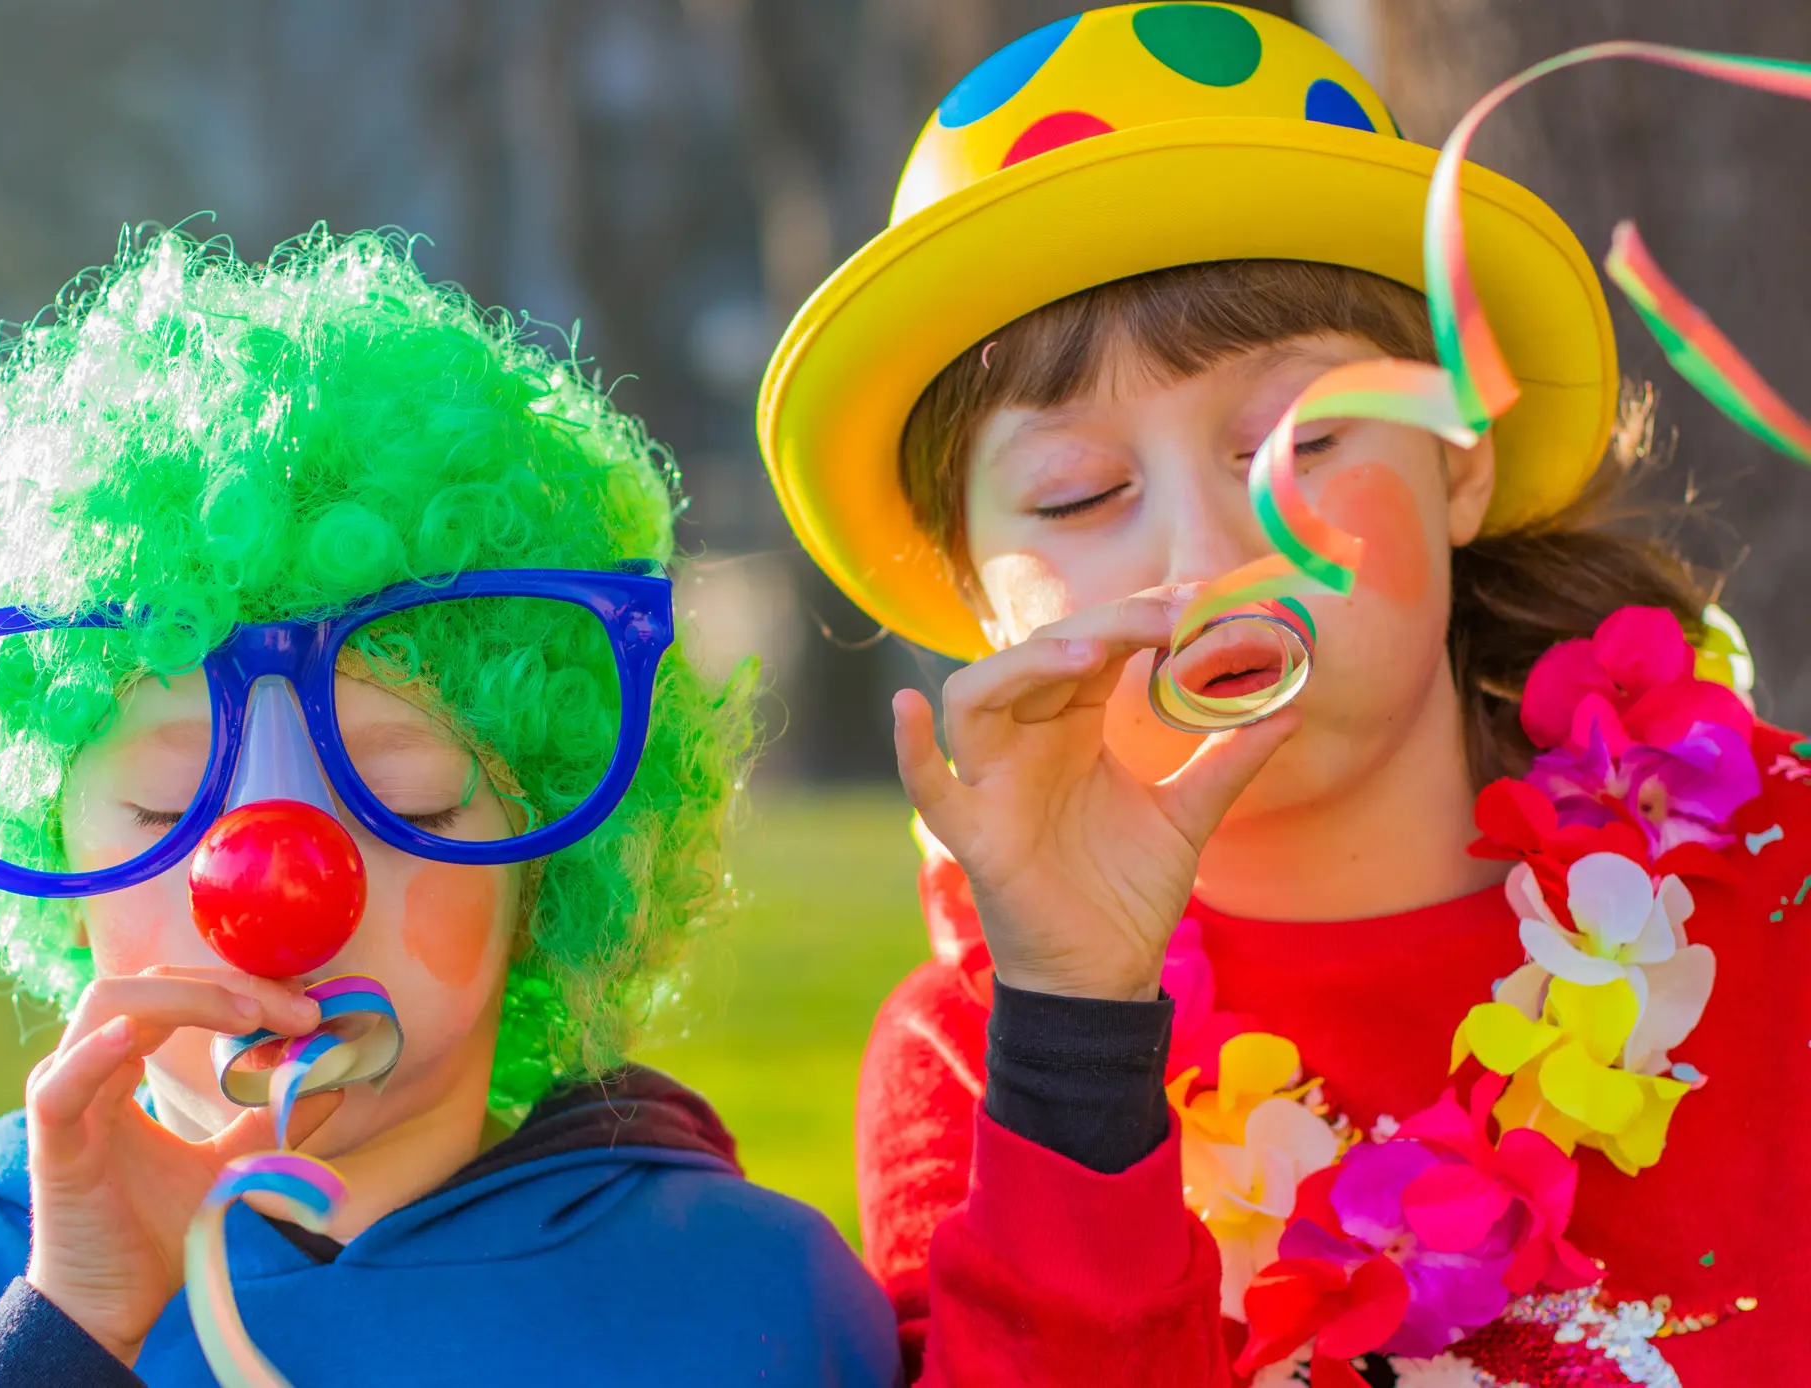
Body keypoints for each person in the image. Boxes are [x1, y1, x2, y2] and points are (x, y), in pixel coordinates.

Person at [757, 5, 1808, 1384]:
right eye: (1085, 493)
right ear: (972, 594)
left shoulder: (1777, 879)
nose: (1210, 554)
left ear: (1460, 462)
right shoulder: (980, 1060)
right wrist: (1077, 1027)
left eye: (1302, 439)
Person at [0, 227, 900, 1387]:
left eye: (406, 793)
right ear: (45, 849)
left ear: (547, 872)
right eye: (164, 810)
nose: (276, 895)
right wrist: (59, 1333)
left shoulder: (744, 1304)